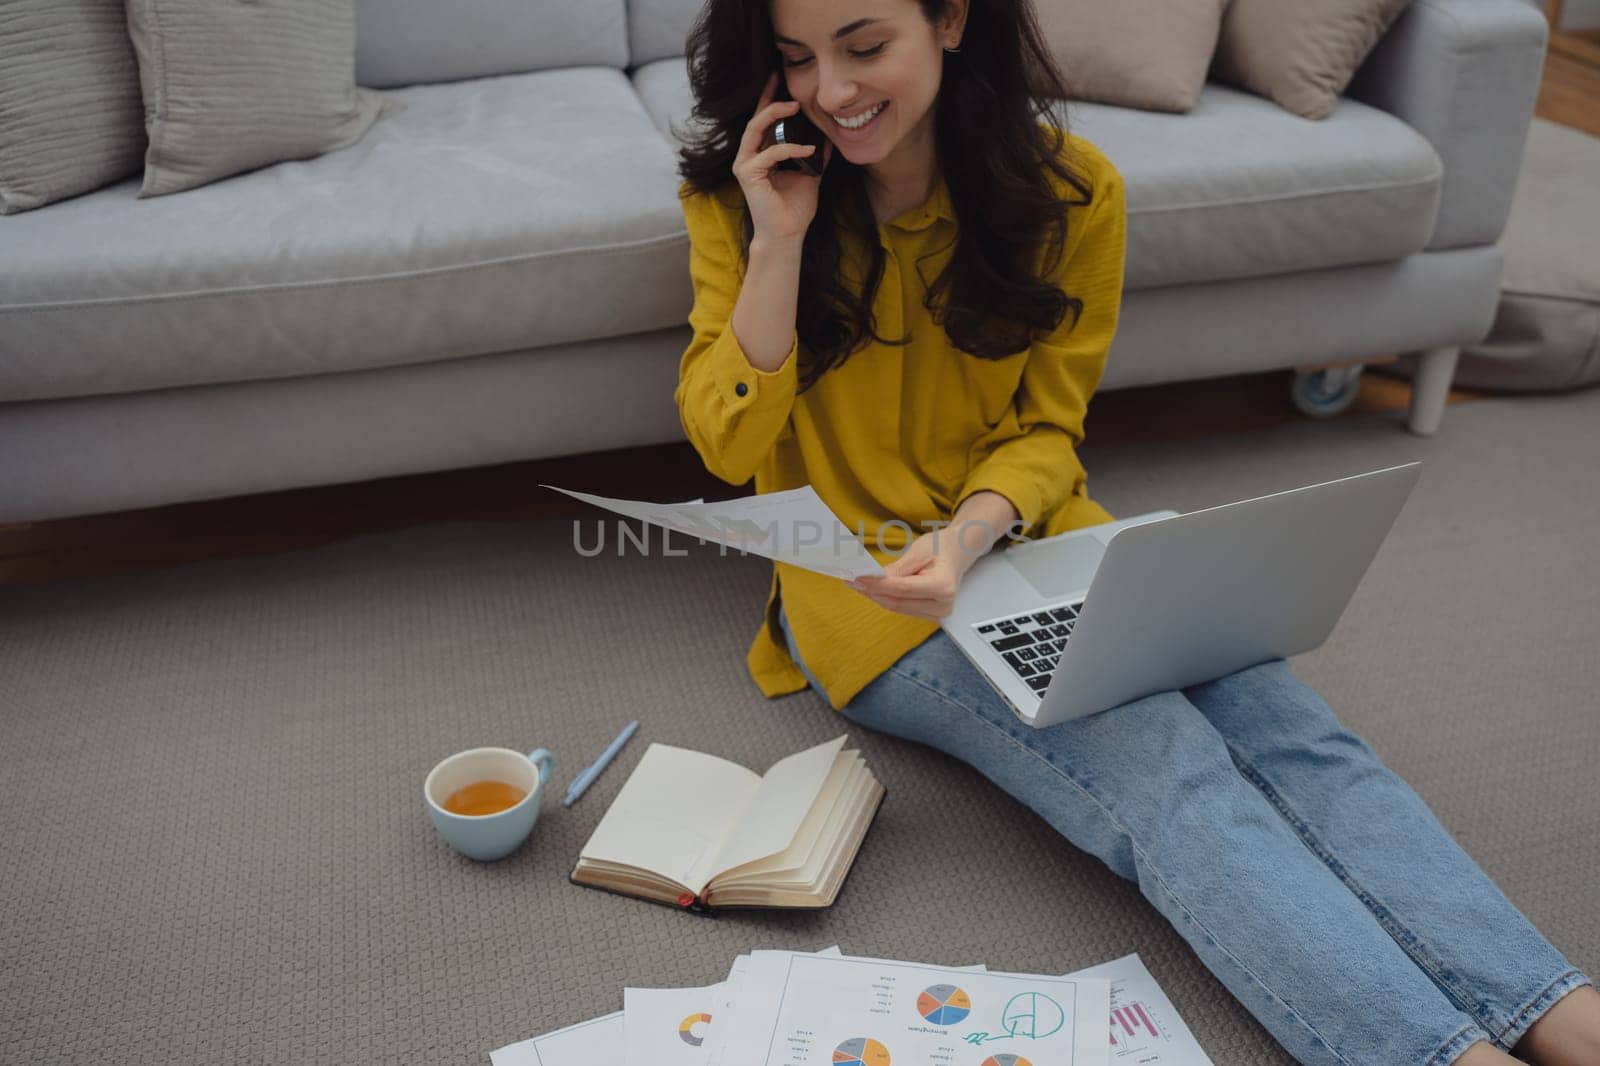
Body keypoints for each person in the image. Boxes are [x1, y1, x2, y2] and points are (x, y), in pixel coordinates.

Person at [670, 0, 1599, 1062]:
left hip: (1038, 538)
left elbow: (1047, 428)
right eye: (797, 60)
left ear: (951, 21)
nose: (831, 92)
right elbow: (727, 450)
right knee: (1167, 773)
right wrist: (779, 243)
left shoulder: (1071, 191)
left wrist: (971, 536)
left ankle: (1565, 1016)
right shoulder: (740, 203)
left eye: (865, 45)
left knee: (1300, 738)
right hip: (868, 599)